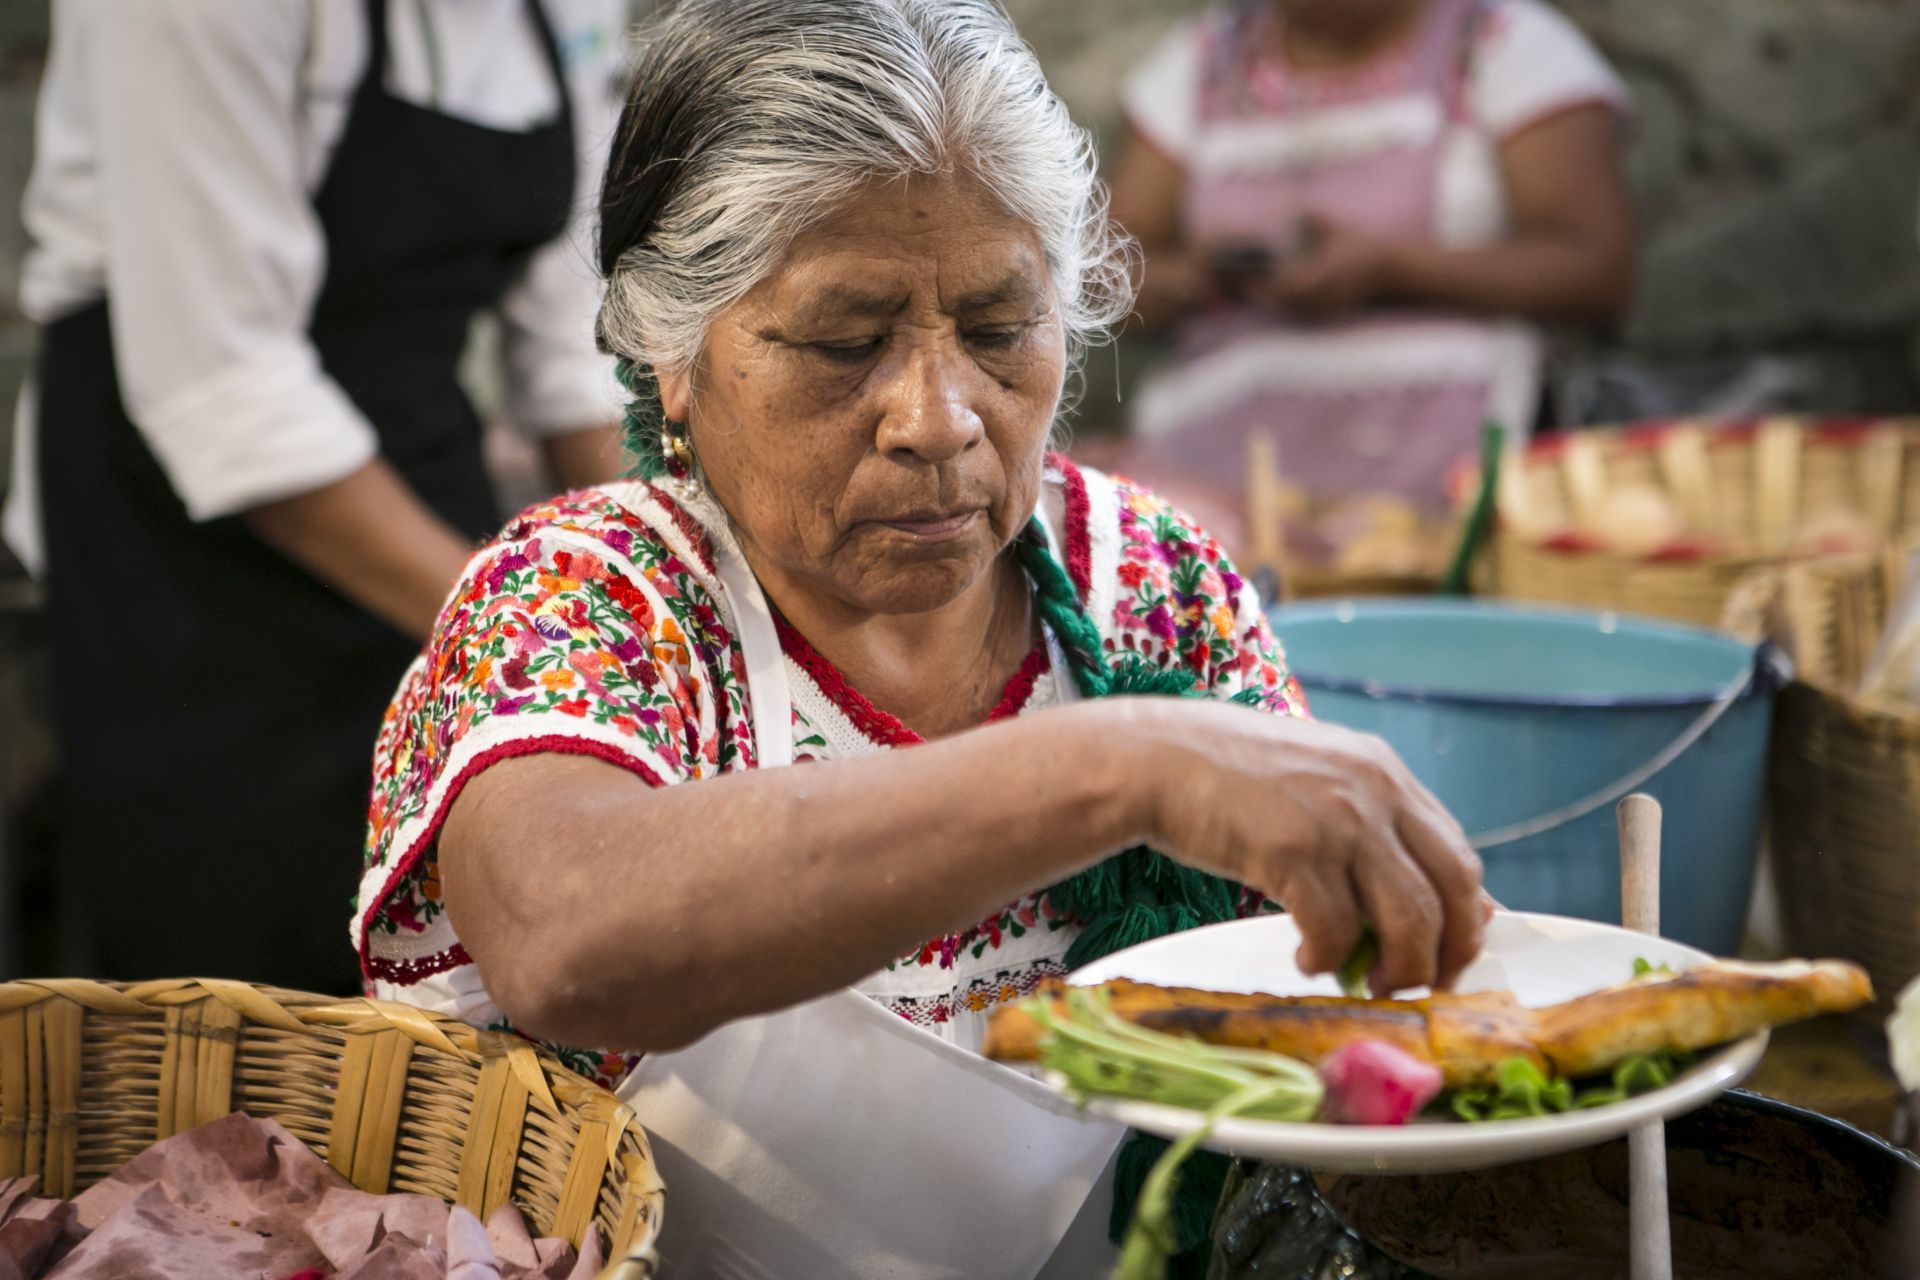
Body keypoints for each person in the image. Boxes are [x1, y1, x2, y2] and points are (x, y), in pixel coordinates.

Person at [354, 2, 1488, 1273]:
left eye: (1002, 329)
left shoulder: (1154, 587)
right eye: (846, 342)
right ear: (675, 354)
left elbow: (1304, 1005)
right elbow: (567, 936)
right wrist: (1128, 768)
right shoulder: (588, 595)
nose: (938, 418)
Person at [8, 0, 630, 992]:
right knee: (236, 1006)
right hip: (184, 562)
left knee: (443, 989)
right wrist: (522, 633)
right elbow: (226, 387)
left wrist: (670, 599)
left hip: (417, 480)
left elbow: (576, 349)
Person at [1100, 0, 1635, 550]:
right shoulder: (1207, 59)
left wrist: (1389, 269)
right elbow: (1105, 276)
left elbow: (1594, 269)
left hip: (1450, 469)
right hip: (1219, 466)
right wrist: (1205, 274)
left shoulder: (1500, 42)